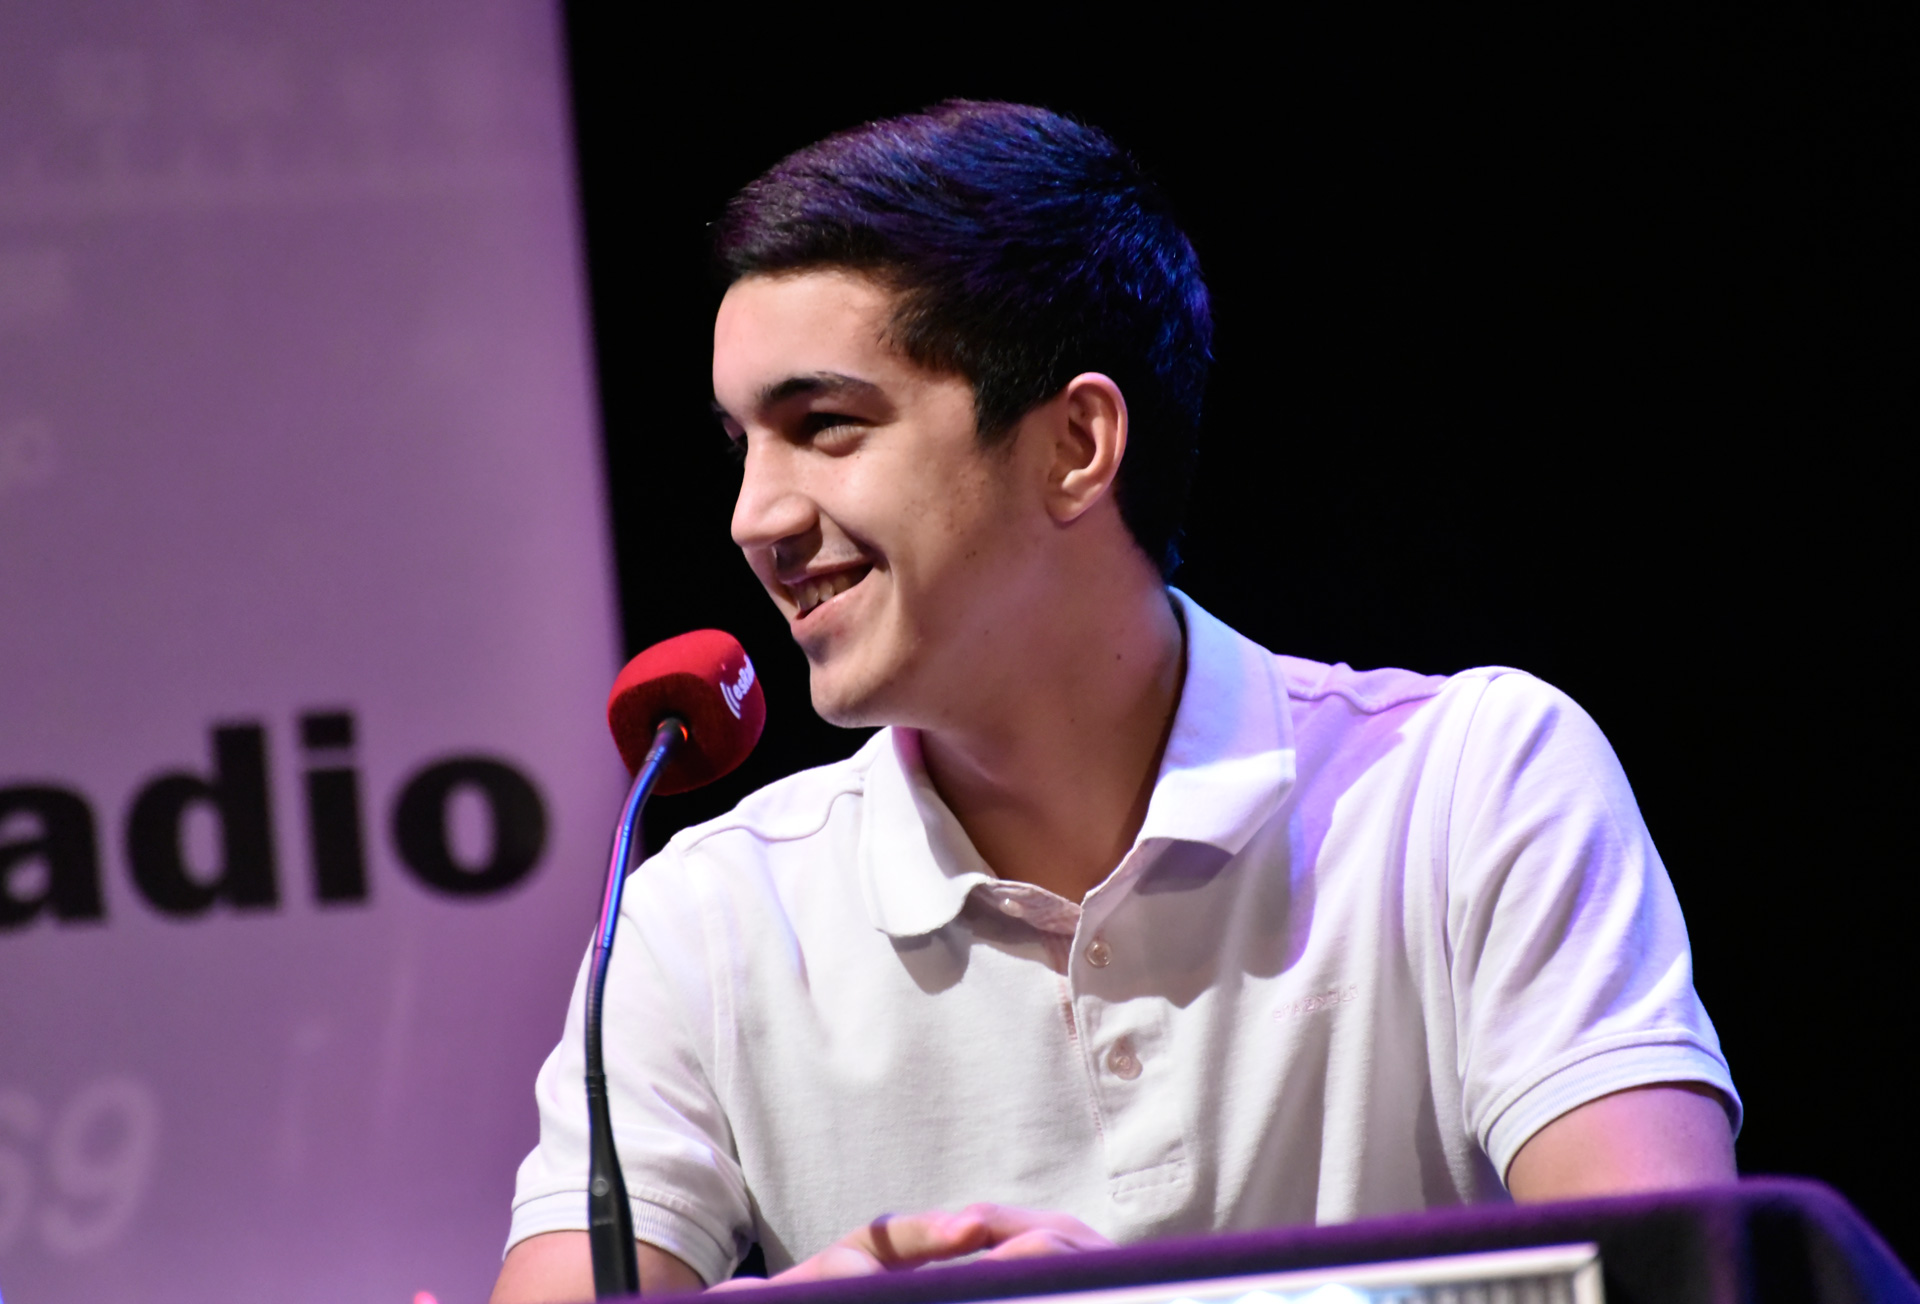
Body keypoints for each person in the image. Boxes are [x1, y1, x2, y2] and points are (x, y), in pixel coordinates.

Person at [491, 101, 1738, 1301]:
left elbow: (1673, 1279)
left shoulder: (1471, 781)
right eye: (741, 445)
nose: (754, 517)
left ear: (1076, 445)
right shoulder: (700, 921)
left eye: (825, 424)